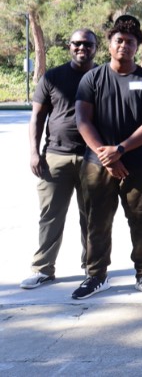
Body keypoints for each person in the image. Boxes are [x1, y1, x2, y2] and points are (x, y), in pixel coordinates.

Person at [73, 15, 142, 299]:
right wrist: (106, 156)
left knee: (140, 219)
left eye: (130, 42)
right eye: (119, 41)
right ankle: (96, 275)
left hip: (137, 163)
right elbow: (83, 119)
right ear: (109, 45)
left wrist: (121, 149)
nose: (124, 45)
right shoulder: (93, 78)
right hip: (97, 164)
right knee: (96, 220)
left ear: (138, 46)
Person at [21, 29, 97, 290]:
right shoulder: (52, 77)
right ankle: (43, 269)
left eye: (87, 44)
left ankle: (92, 269)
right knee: (51, 216)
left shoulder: (103, 76)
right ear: (69, 46)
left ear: (96, 47)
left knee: (91, 218)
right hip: (56, 156)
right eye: (76, 43)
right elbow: (37, 118)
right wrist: (34, 152)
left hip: (93, 159)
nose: (82, 48)